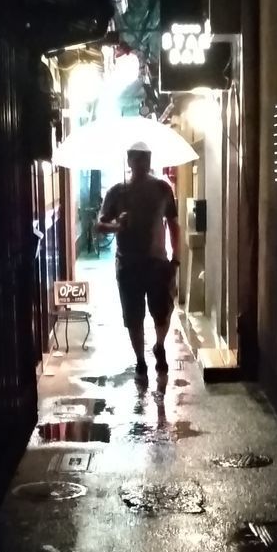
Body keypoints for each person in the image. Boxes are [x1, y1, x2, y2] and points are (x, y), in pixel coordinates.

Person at [97, 141, 181, 377]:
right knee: (133, 316)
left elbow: (174, 224)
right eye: (137, 158)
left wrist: (176, 258)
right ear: (129, 161)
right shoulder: (117, 192)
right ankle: (140, 360)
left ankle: (159, 345)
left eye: (145, 157)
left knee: (163, 310)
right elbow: (99, 225)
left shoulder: (163, 189)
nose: (141, 162)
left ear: (150, 160)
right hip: (128, 264)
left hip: (157, 262)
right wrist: (117, 225)